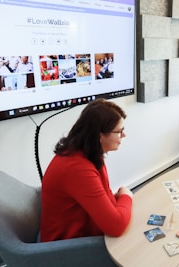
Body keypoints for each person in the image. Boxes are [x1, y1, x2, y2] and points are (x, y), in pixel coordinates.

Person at [41, 99, 133, 242]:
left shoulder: (89, 151)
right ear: (99, 136)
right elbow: (116, 226)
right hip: (67, 247)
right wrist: (126, 197)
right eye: (119, 131)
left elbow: (108, 199)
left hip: (84, 230)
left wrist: (118, 203)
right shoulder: (77, 168)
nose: (124, 135)